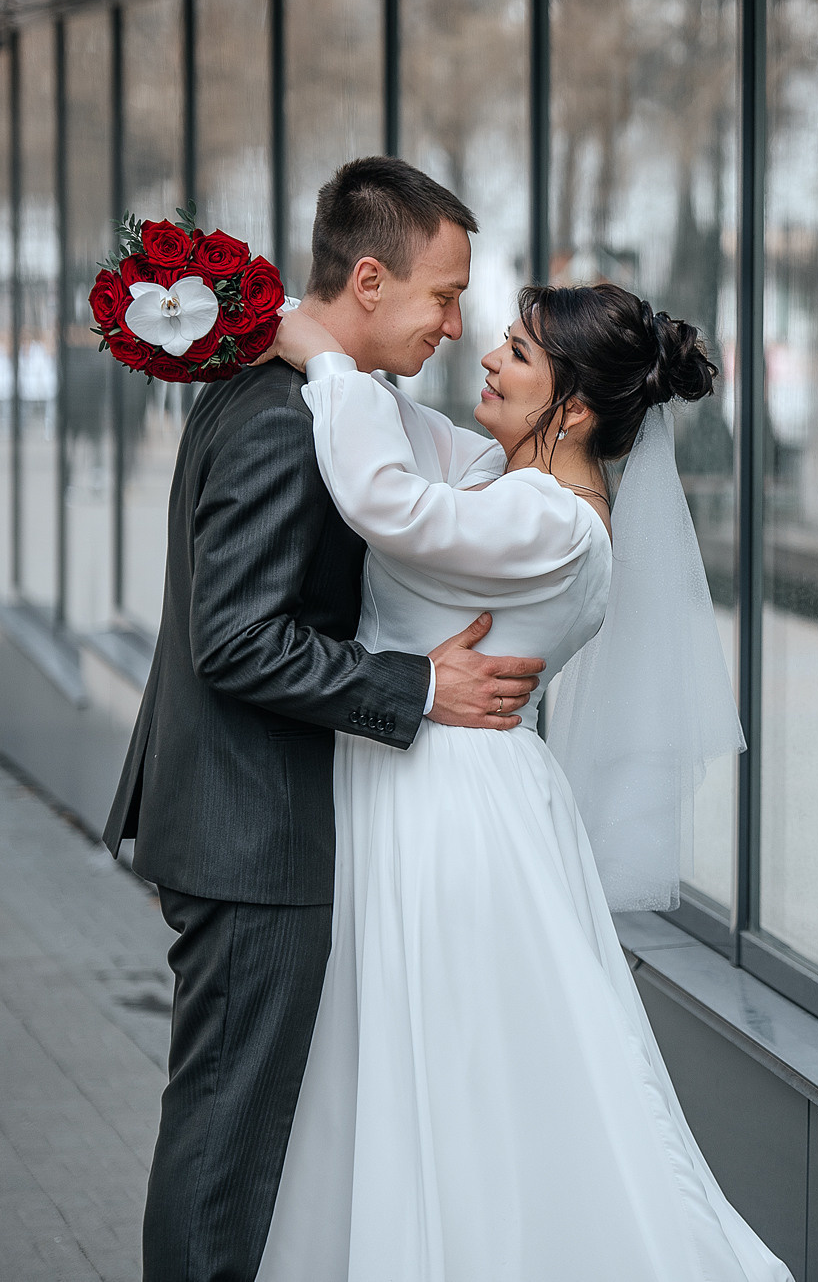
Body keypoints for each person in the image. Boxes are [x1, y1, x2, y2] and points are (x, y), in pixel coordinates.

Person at [244, 276, 787, 1279]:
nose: (487, 359)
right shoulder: (501, 471)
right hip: (423, 785)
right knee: (401, 1064)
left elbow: (383, 500)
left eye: (518, 355)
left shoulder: (557, 523)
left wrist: (323, 356)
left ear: (574, 407)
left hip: (449, 811)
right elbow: (403, 430)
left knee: (453, 1069)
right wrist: (315, 330)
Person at [104, 157, 544, 1282]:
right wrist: (420, 687)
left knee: (233, 1134)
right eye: (443, 295)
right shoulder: (288, 419)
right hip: (253, 837)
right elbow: (237, 639)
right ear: (366, 279)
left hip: (240, 819)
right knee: (223, 1145)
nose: (456, 323)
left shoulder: (296, 395)